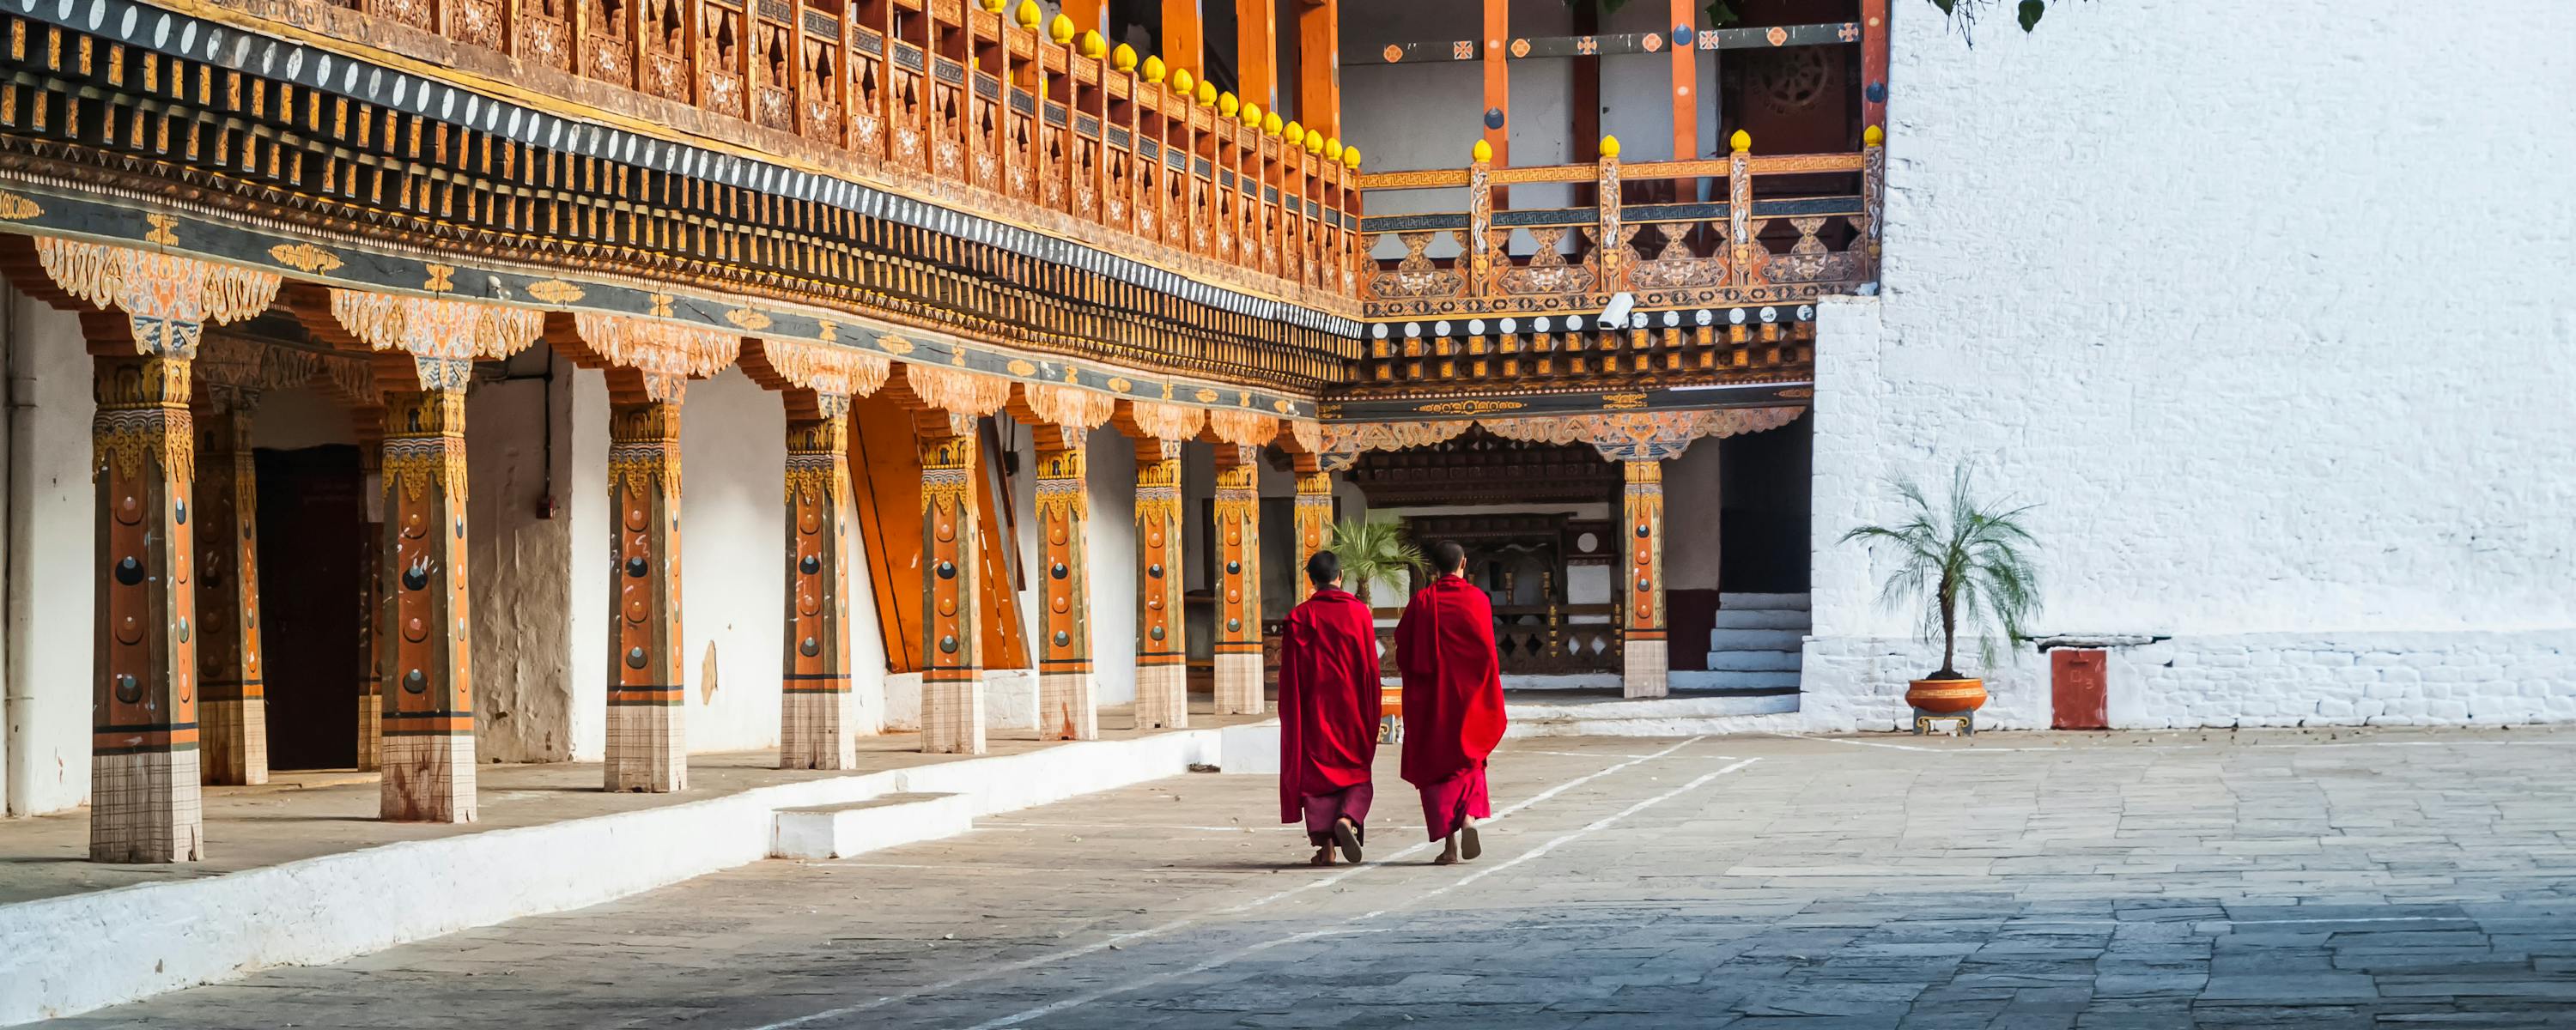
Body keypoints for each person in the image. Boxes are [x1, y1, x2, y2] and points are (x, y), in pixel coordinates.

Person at [1394, 539, 1508, 864]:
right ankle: (1469, 818)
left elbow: (1403, 649)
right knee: (1469, 759)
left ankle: (1449, 847)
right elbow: (1487, 652)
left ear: (1433, 568)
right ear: (1464, 564)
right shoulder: (1477, 599)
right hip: (1469, 698)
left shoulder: (1421, 601)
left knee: (1438, 766)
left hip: (1433, 701)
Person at [1275, 551, 1383, 866]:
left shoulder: (1299, 617)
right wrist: (1372, 710)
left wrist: (1293, 715)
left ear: (1312, 580)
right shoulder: (1359, 613)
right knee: (1355, 771)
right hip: (1352, 709)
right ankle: (1347, 819)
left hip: (1314, 710)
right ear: (1341, 575)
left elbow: (1290, 676)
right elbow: (1369, 668)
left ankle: (1327, 850)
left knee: (1317, 777)